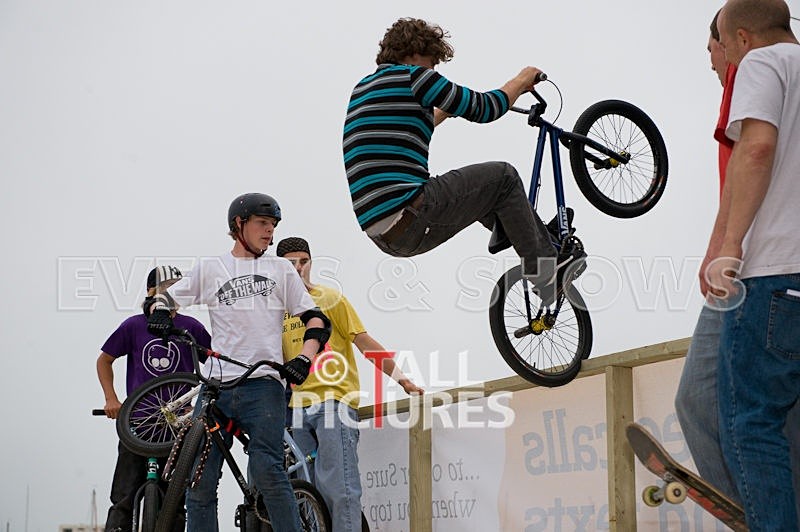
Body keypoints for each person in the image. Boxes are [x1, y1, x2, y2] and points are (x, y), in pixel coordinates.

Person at [342, 18, 585, 305]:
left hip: (385, 233)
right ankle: (546, 273)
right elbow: (485, 109)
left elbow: (401, 128)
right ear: (415, 52)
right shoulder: (416, 78)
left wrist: (444, 112)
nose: (433, 70)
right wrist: (520, 81)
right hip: (411, 211)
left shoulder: (365, 88)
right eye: (432, 62)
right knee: (503, 177)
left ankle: (532, 234)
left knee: (479, 190)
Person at [145, 193, 332, 532]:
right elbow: (166, 297)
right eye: (262, 224)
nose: (269, 233)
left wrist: (304, 359)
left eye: (273, 226)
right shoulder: (211, 268)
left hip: (264, 386)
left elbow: (317, 320)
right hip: (216, 386)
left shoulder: (280, 270)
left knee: (269, 474)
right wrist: (159, 311)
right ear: (238, 224)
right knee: (199, 484)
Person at [706, 1, 800, 529]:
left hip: (776, 274)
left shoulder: (764, 65)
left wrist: (729, 246)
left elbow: (756, 150)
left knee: (751, 424)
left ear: (741, 37)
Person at [276, 236, 423, 532]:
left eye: (304, 262)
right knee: (305, 492)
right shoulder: (276, 312)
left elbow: (364, 342)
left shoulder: (330, 299)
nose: (299, 268)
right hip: (295, 407)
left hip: (334, 400)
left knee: (340, 486)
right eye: (291, 264)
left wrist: (402, 378)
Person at [674, 9, 741, 503]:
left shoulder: (747, 76)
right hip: (757, 266)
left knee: (696, 399)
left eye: (710, 51)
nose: (710, 65)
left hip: (749, 272)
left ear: (730, 41)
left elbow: (749, 166)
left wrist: (721, 249)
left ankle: (754, 507)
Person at [97, 265, 211, 532]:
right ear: (150, 292)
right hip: (138, 422)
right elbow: (104, 360)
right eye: (165, 288)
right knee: (124, 496)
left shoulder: (191, 327)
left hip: (179, 424)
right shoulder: (134, 326)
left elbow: (215, 364)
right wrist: (111, 398)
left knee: (175, 498)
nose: (172, 293)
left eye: (176, 288)